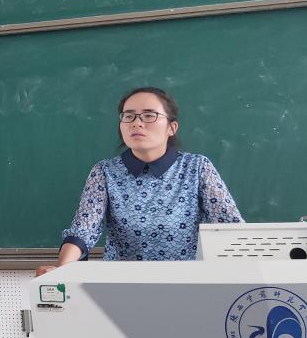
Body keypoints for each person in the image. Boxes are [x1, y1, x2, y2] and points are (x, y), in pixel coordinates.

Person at [35, 87, 243, 276]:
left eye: (149, 115)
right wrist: (61, 270)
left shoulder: (197, 167)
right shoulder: (105, 172)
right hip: (121, 284)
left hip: (185, 282)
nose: (137, 123)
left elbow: (231, 228)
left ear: (172, 127)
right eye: (129, 116)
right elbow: (84, 229)